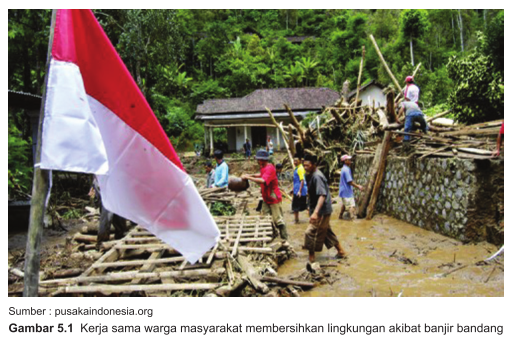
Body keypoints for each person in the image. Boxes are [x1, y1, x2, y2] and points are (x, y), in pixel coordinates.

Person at [303, 154, 346, 263]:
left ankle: (311, 258)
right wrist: (310, 207)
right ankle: (341, 252)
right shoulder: (310, 174)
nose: (305, 168)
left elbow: (322, 195)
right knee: (327, 232)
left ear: (314, 165)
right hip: (319, 208)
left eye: (307, 165)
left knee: (310, 232)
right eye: (304, 165)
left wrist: (316, 213)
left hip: (322, 210)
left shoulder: (317, 176)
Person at [242, 150, 288, 240]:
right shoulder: (263, 167)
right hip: (266, 196)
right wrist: (251, 175)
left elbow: (263, 180)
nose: (257, 161)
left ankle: (284, 238)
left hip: (273, 195)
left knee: (278, 219)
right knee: (265, 217)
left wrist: (248, 177)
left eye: (258, 159)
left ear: (262, 160)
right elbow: (261, 174)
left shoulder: (270, 168)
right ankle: (271, 235)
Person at [89, 177, 127, 249]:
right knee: (107, 214)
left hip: (112, 182)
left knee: (117, 210)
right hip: (106, 182)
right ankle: (102, 241)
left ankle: (120, 234)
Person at [338, 155, 363, 220]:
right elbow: (350, 182)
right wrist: (358, 186)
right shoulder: (346, 170)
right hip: (346, 191)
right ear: (345, 161)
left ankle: (340, 216)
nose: (350, 160)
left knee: (344, 204)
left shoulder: (344, 168)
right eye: (348, 160)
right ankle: (353, 219)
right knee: (352, 206)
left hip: (343, 190)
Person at [292, 157, 308, 224]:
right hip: (297, 189)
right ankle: (296, 220)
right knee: (301, 206)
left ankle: (296, 220)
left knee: (297, 207)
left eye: (296, 161)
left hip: (299, 190)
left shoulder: (300, 169)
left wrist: (299, 191)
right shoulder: (297, 168)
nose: (295, 162)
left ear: (299, 161)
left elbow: (302, 180)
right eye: (294, 161)